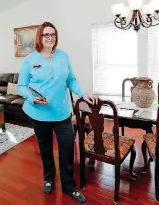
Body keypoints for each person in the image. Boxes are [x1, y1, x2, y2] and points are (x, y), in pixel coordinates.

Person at [17, 21, 98, 204]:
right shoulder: (30, 60)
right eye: (46, 34)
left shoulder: (63, 56)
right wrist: (32, 98)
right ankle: (48, 178)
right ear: (39, 37)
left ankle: (69, 186)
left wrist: (83, 93)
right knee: (45, 148)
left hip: (61, 113)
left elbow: (71, 80)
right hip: (38, 112)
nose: (50, 37)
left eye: (53, 34)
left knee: (67, 146)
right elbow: (21, 86)